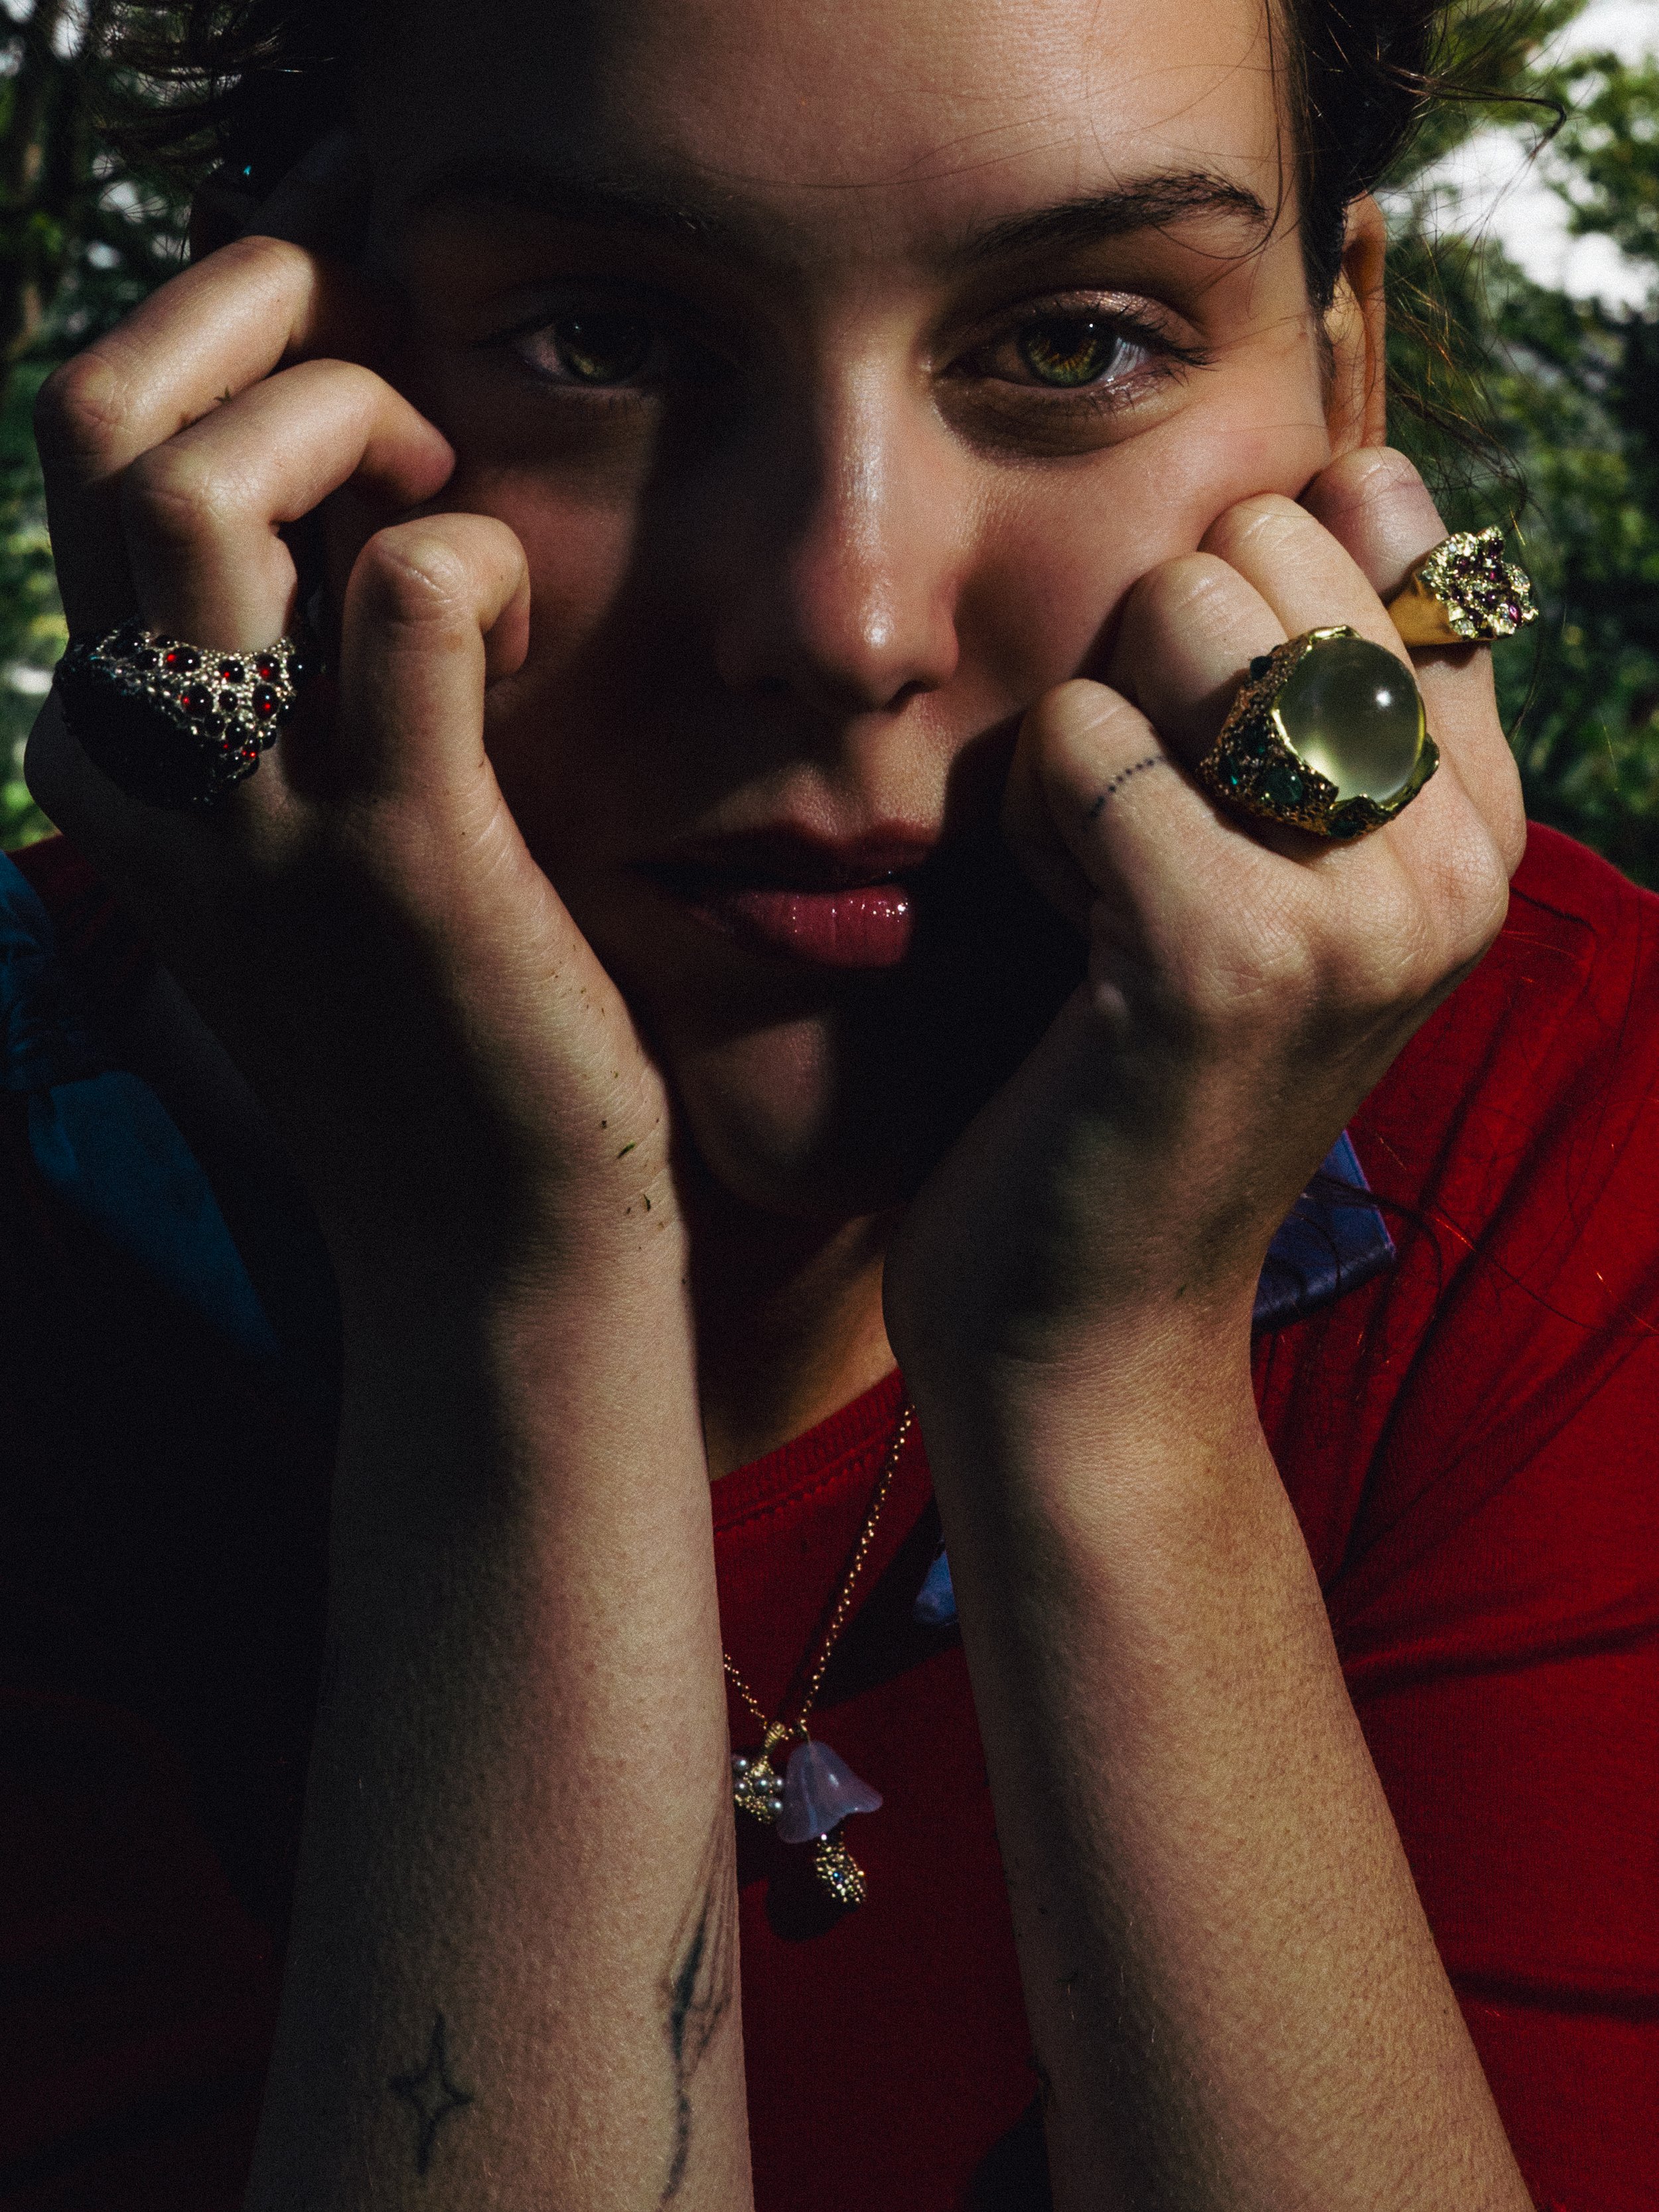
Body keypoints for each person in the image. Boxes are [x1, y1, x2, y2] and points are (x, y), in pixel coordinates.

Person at [2, 0, 1656, 2206]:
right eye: (600, 336)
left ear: (1341, 380)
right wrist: (515, 1316)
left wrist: (1113, 1383)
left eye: (1075, 343)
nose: (845, 617)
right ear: (265, 385)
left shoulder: (1570, 1153)